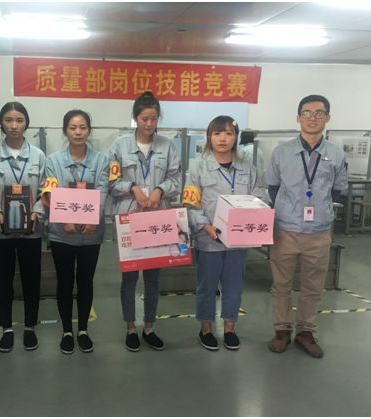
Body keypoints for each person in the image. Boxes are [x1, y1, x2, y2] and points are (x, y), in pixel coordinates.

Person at [266, 94, 347, 358]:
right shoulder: (282, 152)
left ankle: (306, 331)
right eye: (307, 113)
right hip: (285, 230)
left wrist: (319, 209)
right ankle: (281, 329)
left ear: (328, 118)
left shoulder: (336, 153)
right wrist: (290, 210)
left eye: (319, 113)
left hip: (319, 232)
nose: (313, 118)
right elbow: (273, 187)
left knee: (313, 286)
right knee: (281, 284)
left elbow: (338, 189)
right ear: (298, 117)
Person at [183, 116, 268, 351]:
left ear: (236, 138)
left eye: (229, 133)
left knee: (234, 285)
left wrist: (253, 214)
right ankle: (206, 328)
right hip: (208, 239)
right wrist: (205, 226)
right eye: (217, 133)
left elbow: (261, 196)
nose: (223, 138)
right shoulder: (198, 168)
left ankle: (230, 327)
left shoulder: (248, 169)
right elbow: (190, 203)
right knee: (207, 286)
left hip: (238, 240)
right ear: (209, 137)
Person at [108, 91, 181, 352]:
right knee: (129, 278)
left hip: (157, 220)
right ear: (135, 118)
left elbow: (176, 179)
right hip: (129, 219)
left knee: (153, 278)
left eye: (154, 118)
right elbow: (112, 181)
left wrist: (160, 189)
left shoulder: (168, 146)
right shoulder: (119, 146)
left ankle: (149, 327)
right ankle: (131, 328)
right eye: (144, 119)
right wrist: (132, 188)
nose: (149, 124)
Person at [0, 102, 45, 352]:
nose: (14, 125)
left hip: (31, 231)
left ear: (26, 123)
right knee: (2, 280)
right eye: (8, 120)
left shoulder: (38, 156)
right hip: (1, 231)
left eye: (19, 120)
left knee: (31, 279)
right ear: (1, 123)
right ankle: (6, 328)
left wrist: (37, 212)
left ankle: (30, 327)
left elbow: (48, 191)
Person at [40, 110, 109, 354]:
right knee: (65, 281)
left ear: (89, 130)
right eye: (72, 127)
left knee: (86, 281)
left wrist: (94, 218)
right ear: (65, 131)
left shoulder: (101, 161)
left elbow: (103, 190)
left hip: (92, 233)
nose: (78, 132)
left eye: (82, 127)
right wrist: (63, 219)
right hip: (62, 233)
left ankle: (83, 330)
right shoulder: (53, 161)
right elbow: (49, 191)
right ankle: (67, 331)